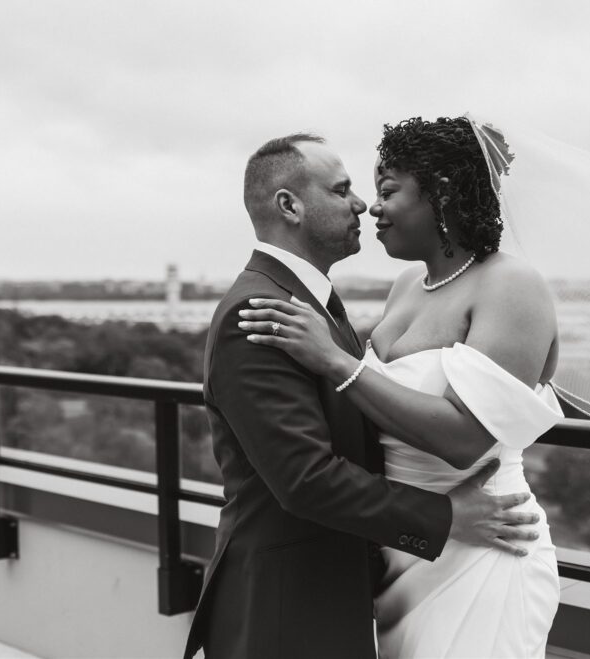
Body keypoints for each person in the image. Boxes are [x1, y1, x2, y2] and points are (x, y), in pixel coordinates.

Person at [183, 132, 542, 659]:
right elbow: (306, 479)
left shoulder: (308, 302)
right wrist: (444, 517)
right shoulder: (260, 312)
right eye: (342, 189)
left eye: (373, 190)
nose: (361, 205)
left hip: (375, 578)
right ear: (290, 206)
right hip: (286, 601)